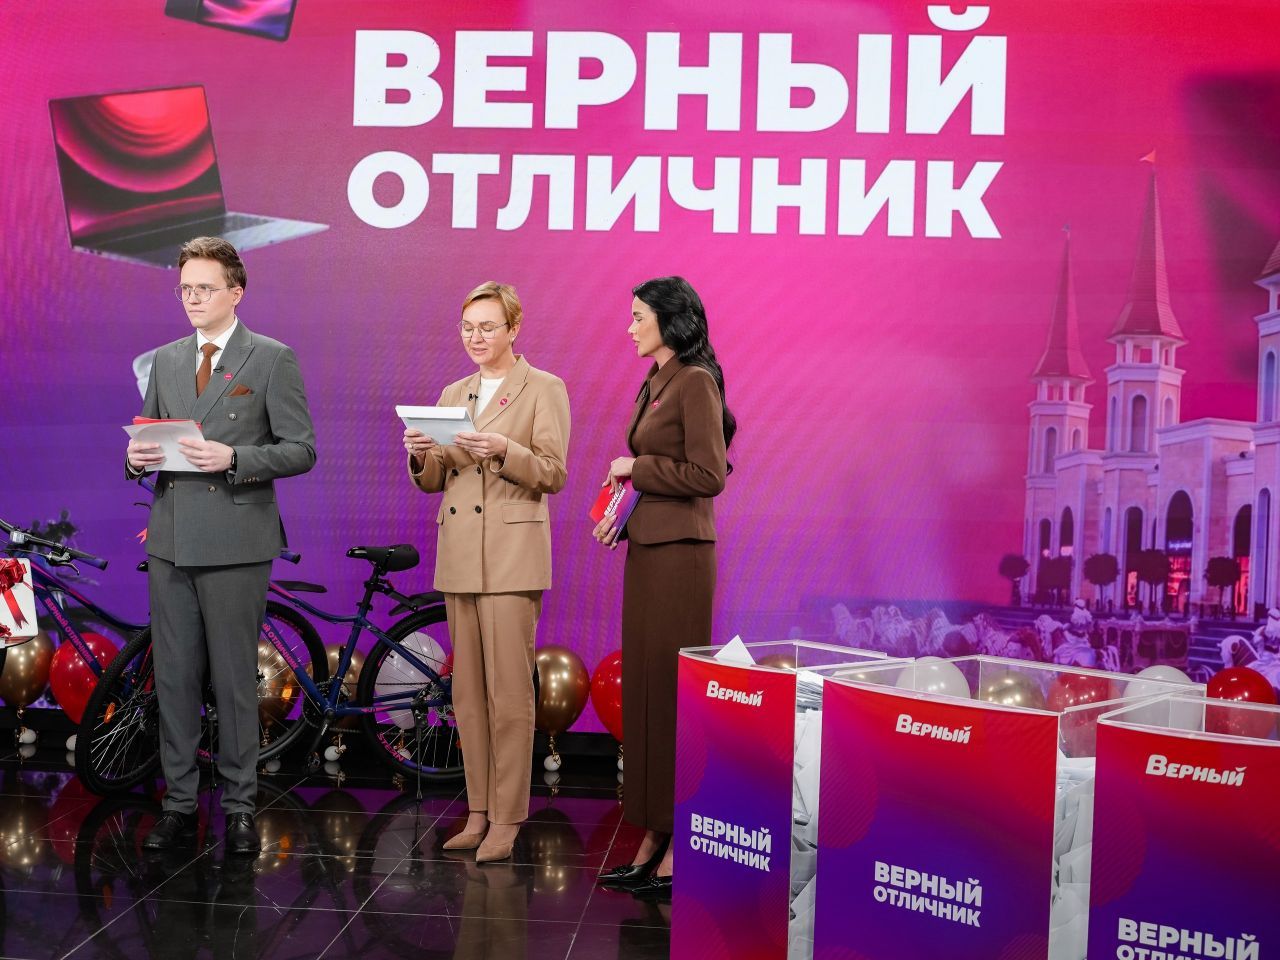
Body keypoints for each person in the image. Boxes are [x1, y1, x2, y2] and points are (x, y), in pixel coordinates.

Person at [126, 236, 316, 854]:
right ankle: (179, 804)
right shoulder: (166, 360)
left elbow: (301, 449)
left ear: (236, 292)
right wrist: (134, 459)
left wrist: (234, 458)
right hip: (172, 538)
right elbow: (148, 435)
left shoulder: (271, 358)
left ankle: (239, 807)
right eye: (185, 289)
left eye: (204, 289)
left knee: (235, 681)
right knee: (174, 678)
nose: (193, 299)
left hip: (236, 540)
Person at [403, 281, 570, 862]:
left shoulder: (543, 387)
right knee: (467, 696)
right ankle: (477, 810)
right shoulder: (455, 391)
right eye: (468, 327)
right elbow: (434, 479)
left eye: (487, 327)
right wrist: (420, 451)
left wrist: (502, 448)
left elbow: (553, 472)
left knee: (509, 694)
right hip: (459, 555)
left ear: (513, 328)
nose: (475, 337)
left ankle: (508, 816)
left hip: (510, 555)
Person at [592, 276, 735, 902]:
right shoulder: (657, 379)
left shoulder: (696, 381)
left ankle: (678, 842)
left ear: (669, 320)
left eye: (637, 316)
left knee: (673, 701)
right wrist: (622, 508)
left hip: (681, 559)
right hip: (649, 551)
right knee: (648, 695)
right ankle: (652, 833)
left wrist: (636, 467)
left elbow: (708, 474)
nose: (628, 327)